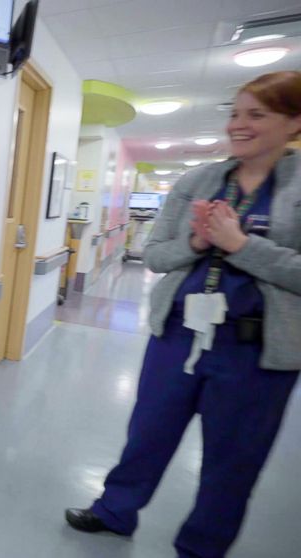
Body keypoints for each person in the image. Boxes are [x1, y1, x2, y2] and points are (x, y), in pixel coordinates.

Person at [64, 70, 301, 558]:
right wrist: (196, 242)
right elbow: (156, 255)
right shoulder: (199, 181)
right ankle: (115, 511)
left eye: (257, 115)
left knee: (233, 461)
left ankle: (201, 547)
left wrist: (240, 245)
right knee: (147, 433)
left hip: (255, 351)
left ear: (293, 122)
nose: (239, 125)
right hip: (178, 332)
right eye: (235, 113)